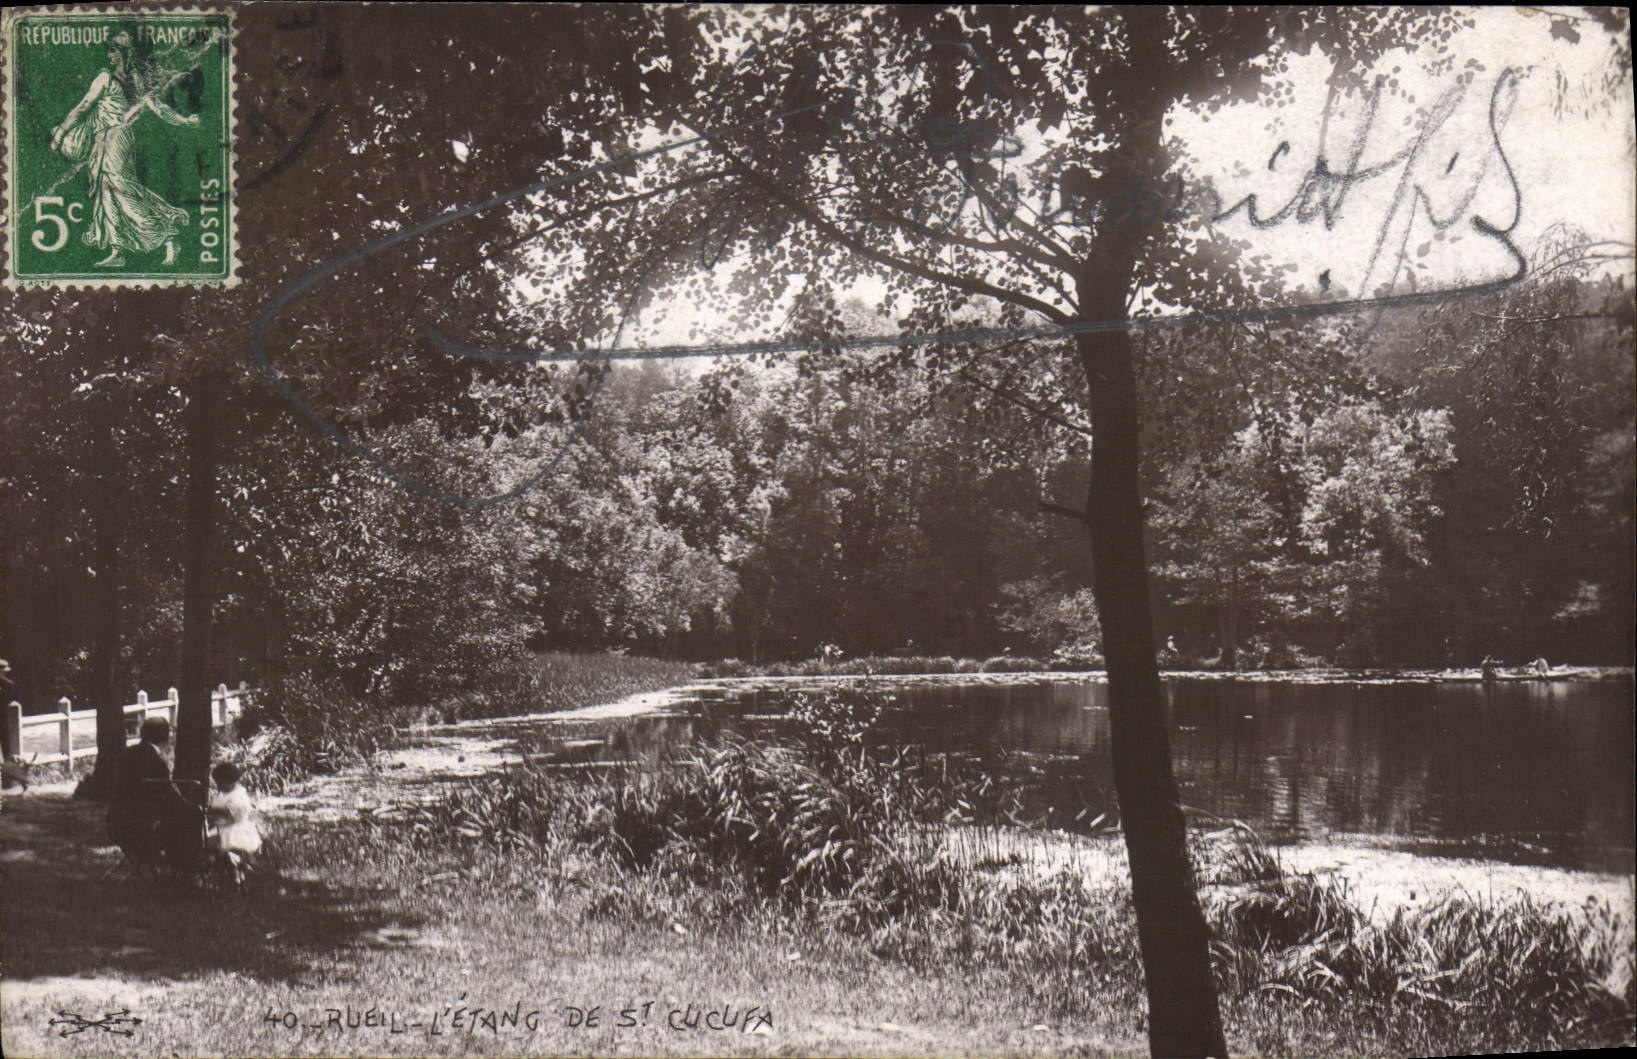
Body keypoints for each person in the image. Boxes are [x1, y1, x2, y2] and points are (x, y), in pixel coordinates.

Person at [48, 32, 198, 268]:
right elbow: (156, 107)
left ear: (124, 52)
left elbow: (84, 107)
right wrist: (184, 121)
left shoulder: (109, 78)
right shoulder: (132, 79)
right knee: (107, 192)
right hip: (110, 139)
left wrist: (59, 134)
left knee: (121, 192)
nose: (109, 55)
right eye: (109, 51)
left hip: (114, 139)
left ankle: (167, 235)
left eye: (113, 50)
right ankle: (117, 250)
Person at [107, 716, 183, 865]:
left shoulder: (127, 753)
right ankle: (183, 865)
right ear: (164, 735)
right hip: (141, 826)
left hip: (116, 821)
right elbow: (166, 794)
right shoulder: (156, 761)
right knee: (187, 817)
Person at [206, 762, 261, 884]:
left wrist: (213, 810)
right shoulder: (225, 793)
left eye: (221, 783)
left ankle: (237, 870)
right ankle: (233, 872)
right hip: (222, 827)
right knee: (212, 847)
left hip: (234, 829)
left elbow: (233, 813)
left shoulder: (239, 795)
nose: (218, 786)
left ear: (230, 781)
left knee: (225, 849)